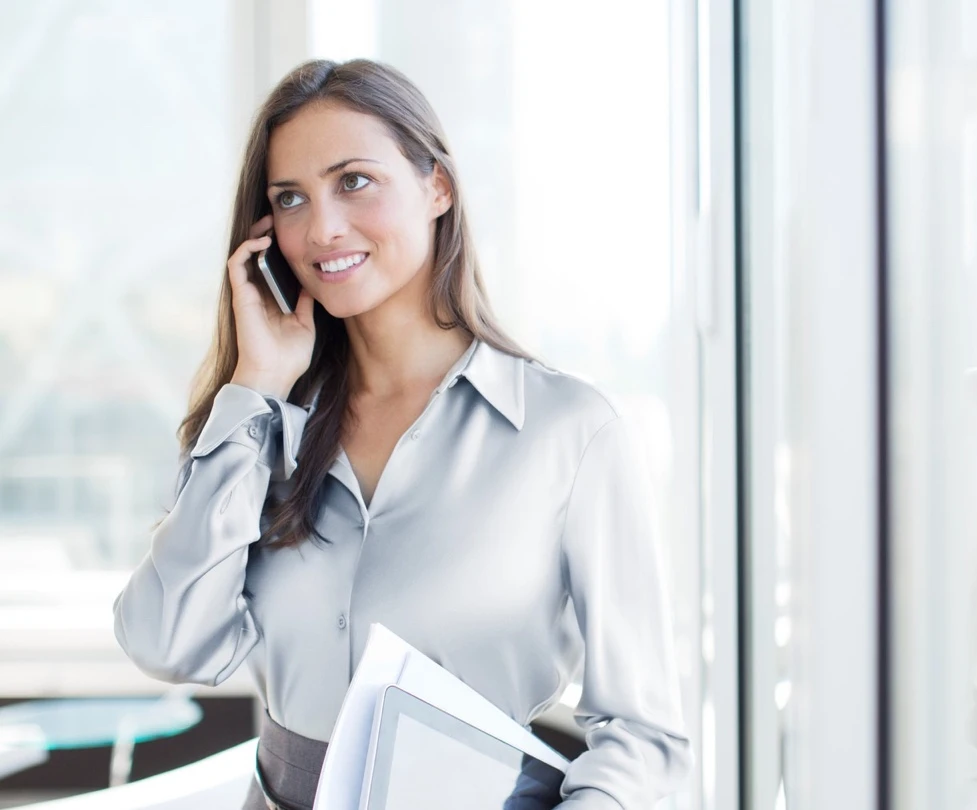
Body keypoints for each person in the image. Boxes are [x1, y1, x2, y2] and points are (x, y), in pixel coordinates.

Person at [112, 59, 691, 810]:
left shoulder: (570, 433)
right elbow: (166, 642)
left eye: (353, 181)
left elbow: (644, 735)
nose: (322, 228)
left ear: (437, 188)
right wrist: (254, 387)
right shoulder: (260, 425)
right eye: (291, 198)